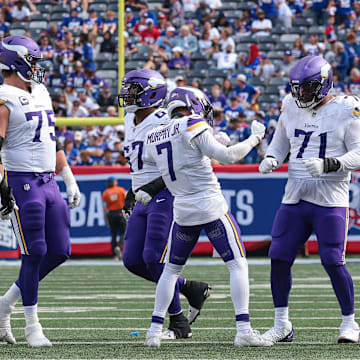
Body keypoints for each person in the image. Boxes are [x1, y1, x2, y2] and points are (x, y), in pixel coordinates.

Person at [141, 86, 270, 348]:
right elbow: (229, 156)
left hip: (183, 210)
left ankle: (153, 332)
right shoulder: (192, 123)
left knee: (170, 271)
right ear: (195, 105)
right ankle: (243, 330)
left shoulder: (153, 135)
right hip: (210, 206)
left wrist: (206, 145)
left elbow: (181, 159)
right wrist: (255, 138)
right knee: (237, 264)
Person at [259, 55, 360, 344]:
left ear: (324, 83)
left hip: (330, 198)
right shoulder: (290, 105)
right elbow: (281, 142)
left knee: (332, 260)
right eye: (297, 88)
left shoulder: (346, 108)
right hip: (295, 196)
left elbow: (359, 151)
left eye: (307, 88)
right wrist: (271, 158)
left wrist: (330, 164)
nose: (300, 95)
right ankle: (282, 325)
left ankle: (350, 324)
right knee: (278, 257)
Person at [0, 36, 81, 347]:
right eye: (32, 61)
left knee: (60, 251)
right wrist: (2, 186)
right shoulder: (4, 97)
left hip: (49, 181)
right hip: (22, 181)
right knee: (33, 252)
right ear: (17, 62)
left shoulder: (41, 93)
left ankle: (5, 304)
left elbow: (52, 141)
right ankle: (32, 325)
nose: (36, 67)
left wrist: (68, 177)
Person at [118, 69, 211, 340]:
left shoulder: (165, 119)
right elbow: (140, 164)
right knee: (133, 260)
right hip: (143, 195)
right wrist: (132, 190)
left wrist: (149, 187)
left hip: (166, 193)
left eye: (133, 89)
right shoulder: (130, 119)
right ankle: (190, 287)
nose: (128, 94)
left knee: (154, 257)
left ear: (151, 92)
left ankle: (179, 323)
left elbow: (181, 161)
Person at [102, 177, 127, 260]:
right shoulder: (121, 190)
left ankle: (114, 254)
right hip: (120, 212)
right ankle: (120, 248)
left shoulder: (105, 193)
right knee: (123, 233)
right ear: (114, 182)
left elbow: (104, 208)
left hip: (111, 214)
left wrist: (106, 218)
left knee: (113, 234)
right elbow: (126, 201)